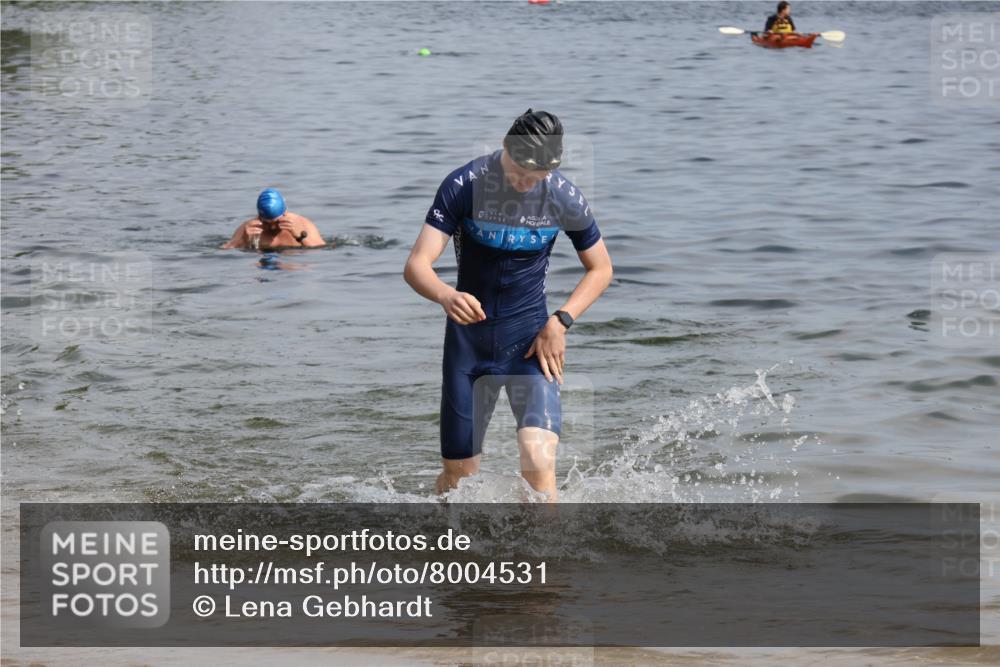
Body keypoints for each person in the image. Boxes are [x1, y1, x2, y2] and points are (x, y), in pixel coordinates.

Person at [403, 109, 614, 502]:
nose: (524, 184)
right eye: (519, 171)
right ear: (505, 147)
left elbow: (601, 268)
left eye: (536, 177)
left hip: (531, 343)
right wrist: (446, 294)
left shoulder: (563, 196)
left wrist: (561, 321)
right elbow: (416, 265)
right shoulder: (464, 184)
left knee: (538, 459)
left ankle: (545, 558)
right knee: (459, 476)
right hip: (469, 347)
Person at [222, 188, 325, 250]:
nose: (272, 227)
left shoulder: (302, 224)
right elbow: (224, 251)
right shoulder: (248, 228)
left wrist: (300, 238)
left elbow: (322, 250)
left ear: (285, 212)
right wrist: (242, 240)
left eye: (277, 222)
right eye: (266, 223)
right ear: (259, 216)